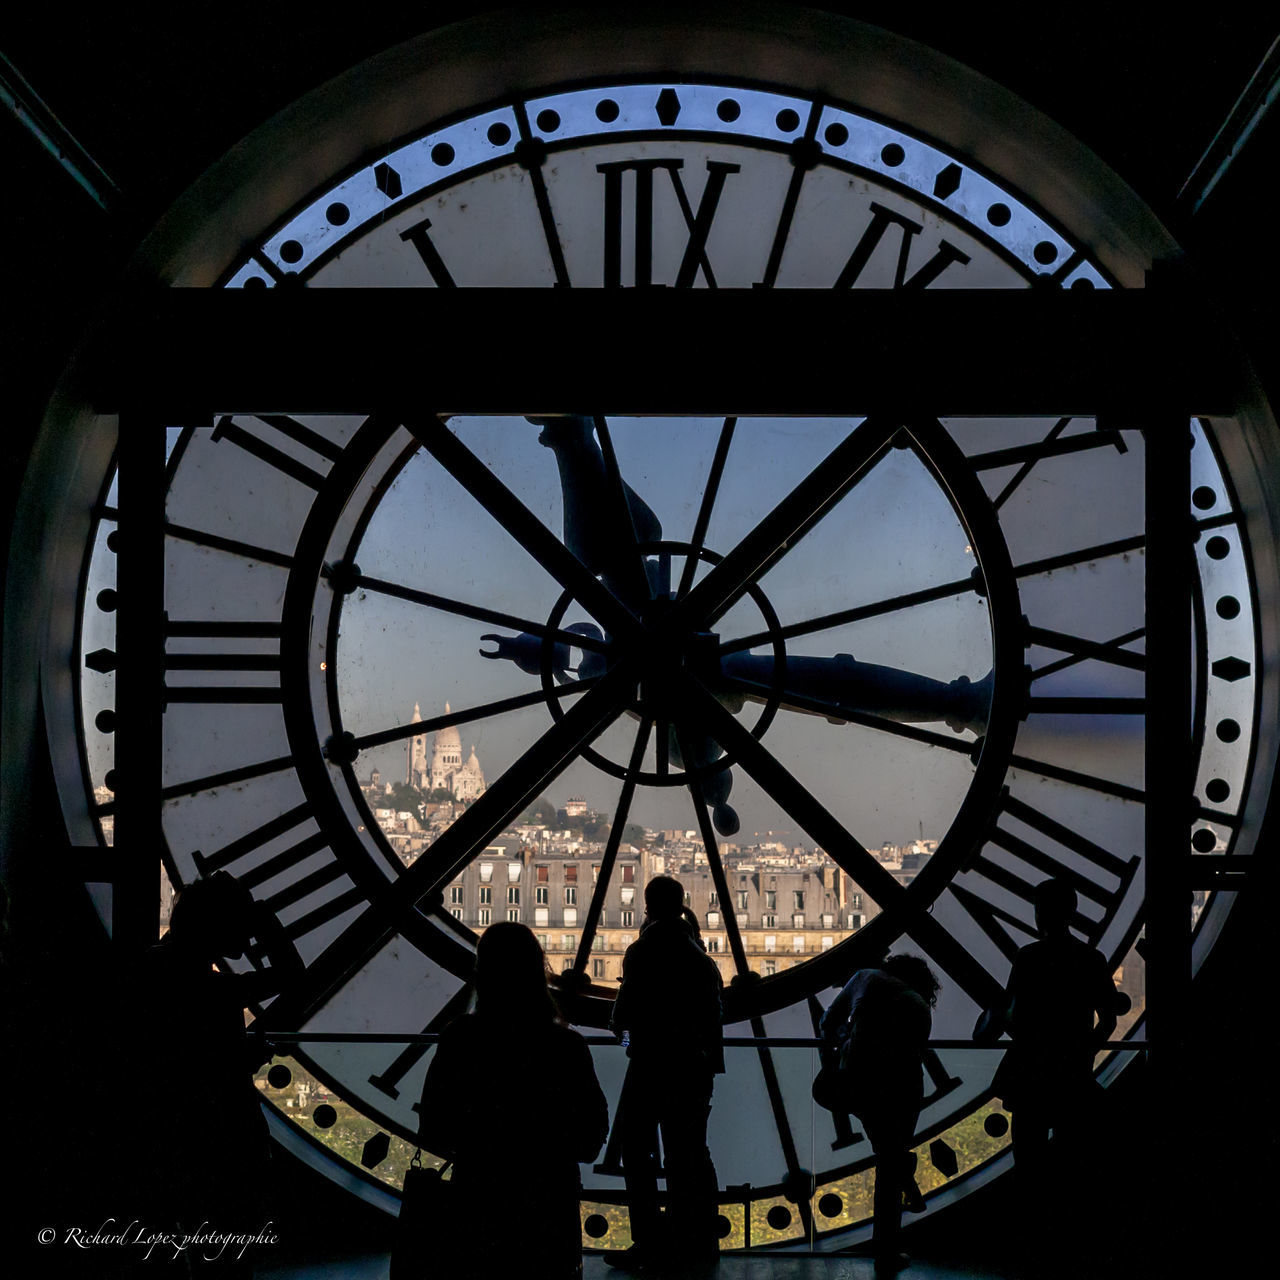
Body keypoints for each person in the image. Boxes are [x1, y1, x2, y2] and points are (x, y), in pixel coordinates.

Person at [127, 870, 302, 1274]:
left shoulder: (149, 972)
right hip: (224, 1149)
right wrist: (264, 918)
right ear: (219, 925)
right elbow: (292, 975)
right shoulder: (215, 989)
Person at [416, 922, 608, 1280]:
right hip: (550, 1209)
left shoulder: (460, 1040)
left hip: (477, 1200)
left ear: (482, 973)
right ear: (538, 973)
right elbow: (591, 1137)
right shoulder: (567, 1048)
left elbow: (433, 1128)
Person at [606, 876, 724, 1274]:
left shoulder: (642, 953)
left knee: (638, 1156)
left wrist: (631, 1049)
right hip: (692, 1071)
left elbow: (620, 1020)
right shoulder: (701, 961)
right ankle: (697, 1240)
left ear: (648, 906)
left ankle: (649, 1242)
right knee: (690, 1156)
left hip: (650, 1068)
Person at [977, 877, 1117, 1189]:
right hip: (1071, 1080)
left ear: (1042, 913)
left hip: (1030, 1078)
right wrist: (1082, 1056)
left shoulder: (1029, 957)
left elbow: (1011, 1013)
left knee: (1029, 1163)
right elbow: (1107, 1021)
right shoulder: (1091, 960)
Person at [820, 953, 939, 1273]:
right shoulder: (918, 1006)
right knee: (890, 1160)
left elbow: (828, 1023)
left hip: (857, 1082)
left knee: (887, 1153)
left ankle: (905, 1179)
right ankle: (888, 1242)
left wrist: (846, 1046)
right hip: (902, 1090)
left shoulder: (865, 979)